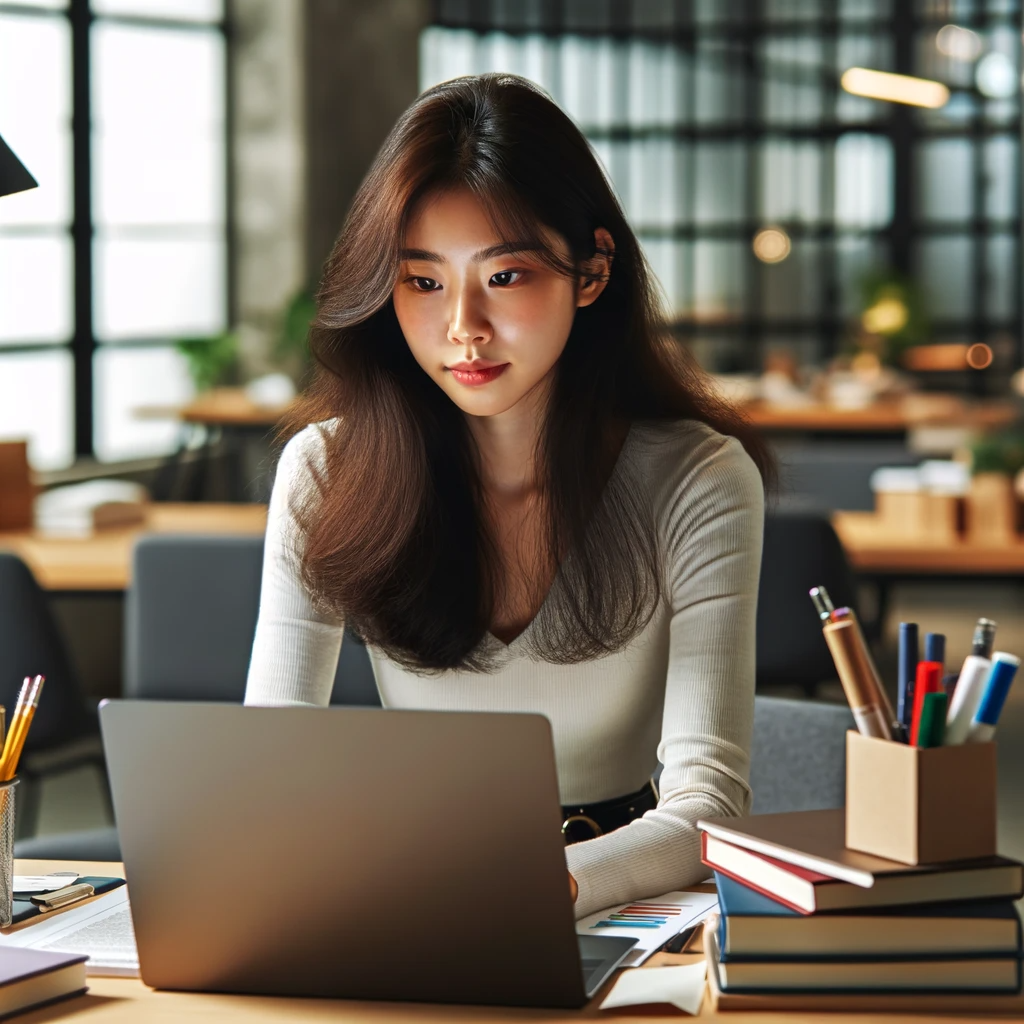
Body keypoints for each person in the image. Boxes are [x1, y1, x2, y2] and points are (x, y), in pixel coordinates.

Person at [245, 73, 772, 919]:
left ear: (591, 273)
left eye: (506, 277)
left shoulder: (698, 480)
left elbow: (708, 807)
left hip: (616, 897)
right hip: (401, 884)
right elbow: (266, 759)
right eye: (422, 282)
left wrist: (534, 892)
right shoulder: (325, 469)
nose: (463, 327)